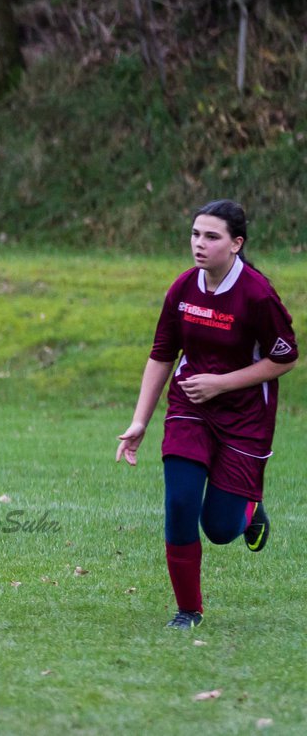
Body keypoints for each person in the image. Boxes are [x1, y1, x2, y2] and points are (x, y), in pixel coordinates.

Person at [116, 199, 297, 630]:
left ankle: (249, 512)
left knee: (218, 528)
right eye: (195, 234)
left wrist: (221, 383)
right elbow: (162, 355)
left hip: (246, 418)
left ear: (236, 244)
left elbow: (285, 358)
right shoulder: (182, 289)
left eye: (211, 236)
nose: (200, 244)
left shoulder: (256, 295)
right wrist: (140, 420)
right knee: (179, 503)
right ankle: (188, 610)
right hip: (189, 408)